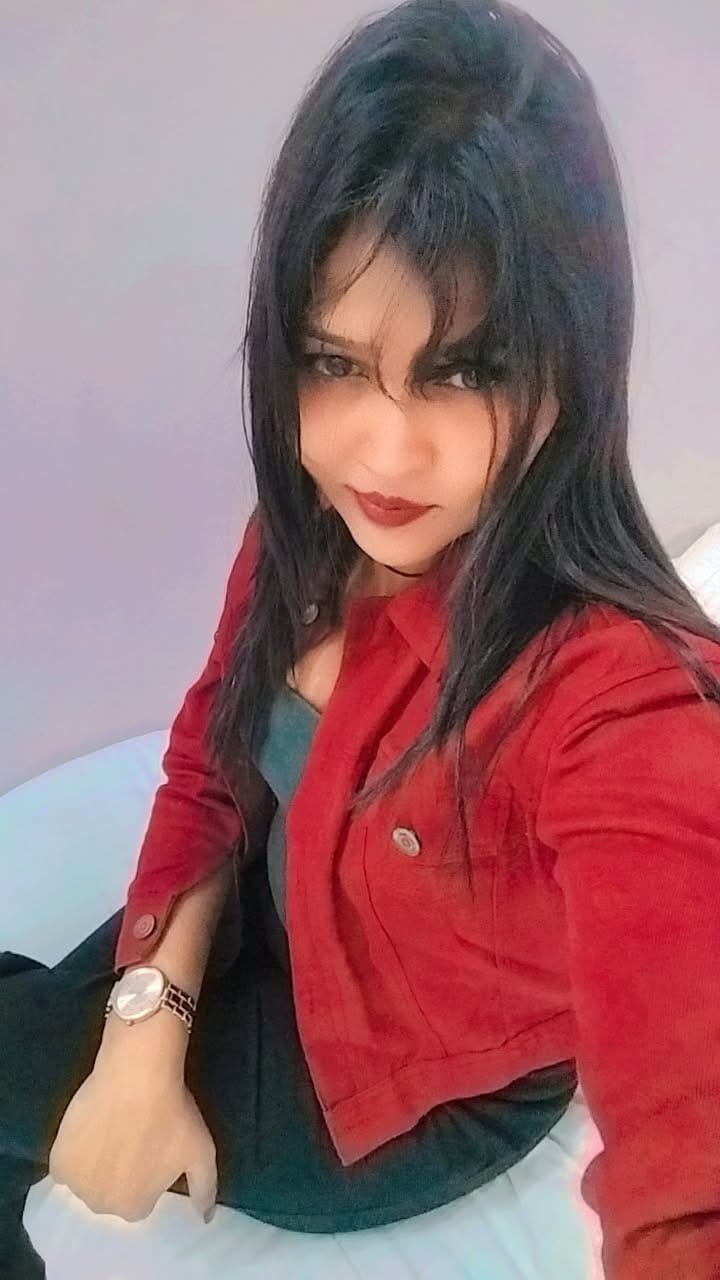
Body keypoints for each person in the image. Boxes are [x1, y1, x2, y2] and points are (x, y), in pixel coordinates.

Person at [2, 1, 720, 1276]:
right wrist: (146, 1019)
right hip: (263, 925)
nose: (380, 455)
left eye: (464, 371)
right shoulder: (312, 522)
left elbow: (691, 1148)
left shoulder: (618, 692)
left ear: (570, 366)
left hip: (392, 1090)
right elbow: (210, 761)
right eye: (334, 362)